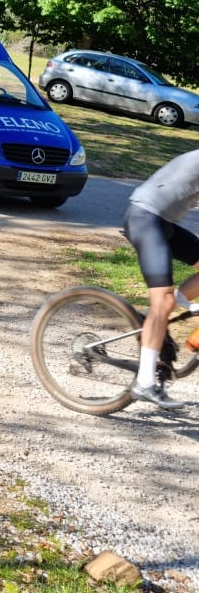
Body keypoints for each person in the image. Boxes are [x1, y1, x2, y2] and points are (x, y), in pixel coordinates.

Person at [121, 150, 199, 408]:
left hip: (163, 223)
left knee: (164, 306)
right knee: (162, 300)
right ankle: (144, 383)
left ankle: (156, 319)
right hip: (143, 218)